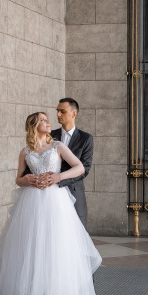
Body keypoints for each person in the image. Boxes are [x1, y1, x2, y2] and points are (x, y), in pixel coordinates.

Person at [0, 111, 101, 295]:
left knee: (53, 246)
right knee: (32, 246)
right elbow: (18, 179)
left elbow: (80, 167)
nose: (48, 123)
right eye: (44, 120)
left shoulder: (57, 146)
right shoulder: (25, 151)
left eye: (48, 120)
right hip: (31, 202)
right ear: (34, 125)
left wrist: (58, 176)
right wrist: (26, 180)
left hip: (55, 201)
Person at [51, 98, 94, 229]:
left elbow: (85, 169)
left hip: (74, 191)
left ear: (74, 114)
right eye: (57, 111)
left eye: (62, 111)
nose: (58, 114)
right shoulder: (50, 136)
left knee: (78, 231)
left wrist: (60, 180)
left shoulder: (86, 138)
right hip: (51, 193)